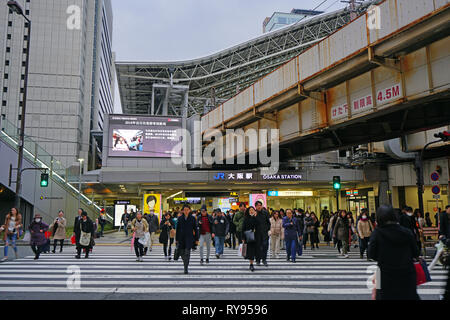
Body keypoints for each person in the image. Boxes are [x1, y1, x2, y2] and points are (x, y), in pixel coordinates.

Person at [368, 205, 420, 300]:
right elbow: (416, 252)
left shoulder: (377, 233)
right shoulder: (406, 232)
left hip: (385, 274)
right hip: (406, 273)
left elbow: (371, 254)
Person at [175, 204, 199, 274]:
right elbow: (178, 229)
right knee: (182, 253)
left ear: (189, 210)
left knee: (187, 253)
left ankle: (186, 267)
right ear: (182, 211)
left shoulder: (192, 218)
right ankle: (185, 262)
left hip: (189, 238)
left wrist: (196, 239)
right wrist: (176, 239)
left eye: (187, 210)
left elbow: (195, 229)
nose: (186, 211)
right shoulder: (180, 218)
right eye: (184, 210)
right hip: (181, 238)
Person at [241, 206, 260, 272]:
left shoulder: (256, 218)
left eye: (253, 210)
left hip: (256, 237)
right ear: (248, 211)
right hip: (249, 237)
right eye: (250, 210)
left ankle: (257, 261)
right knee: (251, 251)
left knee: (257, 250)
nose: (251, 211)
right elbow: (243, 229)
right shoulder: (246, 219)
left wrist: (255, 217)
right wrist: (243, 237)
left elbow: (258, 225)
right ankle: (251, 264)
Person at [254, 201, 270, 267]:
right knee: (257, 247)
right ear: (255, 206)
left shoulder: (265, 213)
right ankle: (258, 260)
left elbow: (268, 223)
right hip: (256, 234)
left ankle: (264, 259)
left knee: (265, 247)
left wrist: (268, 230)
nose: (259, 206)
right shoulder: (254, 213)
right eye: (258, 205)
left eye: (260, 205)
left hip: (264, 233)